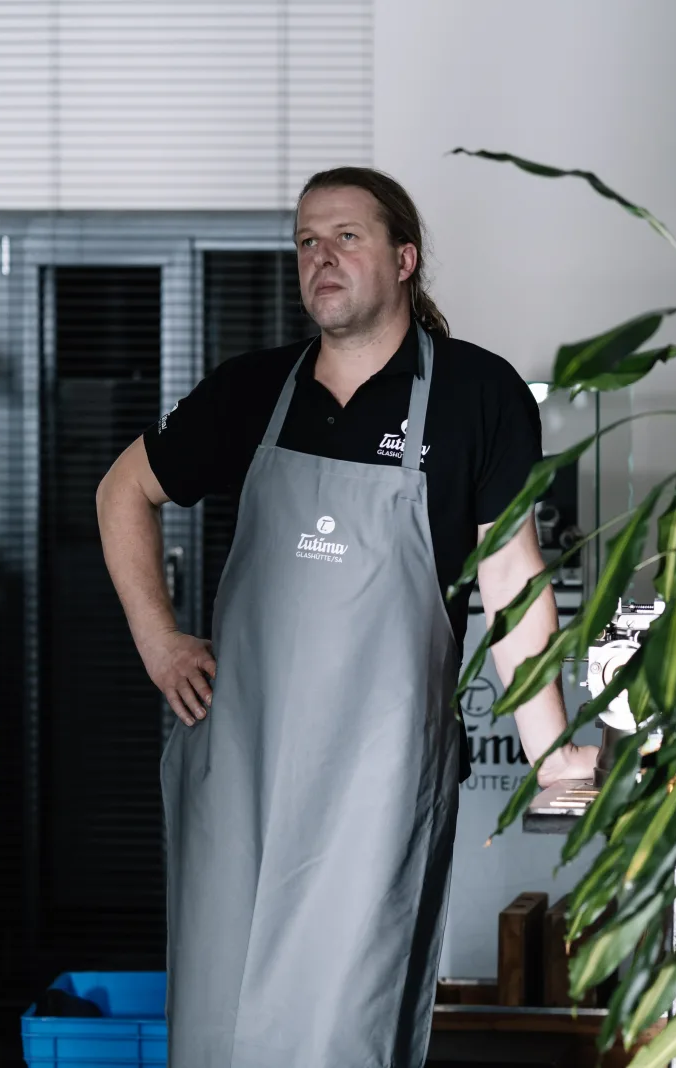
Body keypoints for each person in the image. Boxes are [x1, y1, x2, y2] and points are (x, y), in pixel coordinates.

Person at [94, 166, 597, 1068]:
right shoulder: (251, 391)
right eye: (305, 243)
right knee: (215, 1024)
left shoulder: (477, 397)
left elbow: (513, 579)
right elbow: (122, 490)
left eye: (346, 238)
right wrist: (159, 641)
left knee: (341, 1029)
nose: (320, 258)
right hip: (241, 764)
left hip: (376, 775)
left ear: (405, 259)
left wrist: (551, 753)